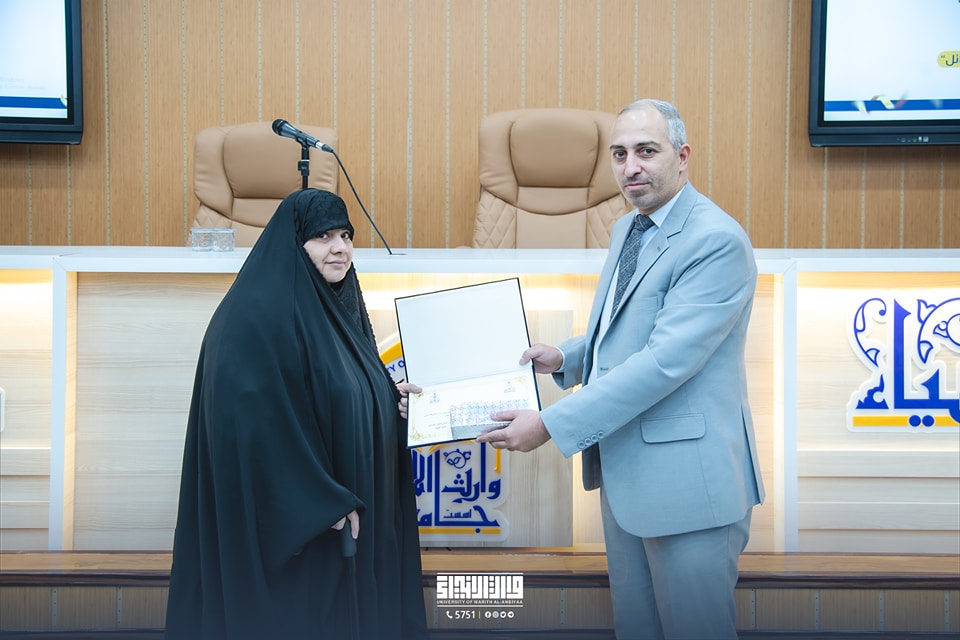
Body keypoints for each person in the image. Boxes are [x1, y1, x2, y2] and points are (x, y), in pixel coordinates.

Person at [475, 99, 765, 640]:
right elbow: (628, 328)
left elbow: (663, 362)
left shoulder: (714, 240)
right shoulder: (630, 228)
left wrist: (550, 424)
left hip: (688, 488)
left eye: (646, 152)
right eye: (619, 154)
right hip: (629, 479)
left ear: (682, 156)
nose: (631, 167)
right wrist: (567, 356)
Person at [164, 189, 427, 640]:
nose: (340, 248)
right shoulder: (253, 318)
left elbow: (334, 390)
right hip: (301, 540)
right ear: (293, 243)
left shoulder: (336, 310)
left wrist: (385, 400)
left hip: (346, 534)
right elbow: (247, 426)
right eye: (323, 236)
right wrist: (319, 501)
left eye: (346, 235)